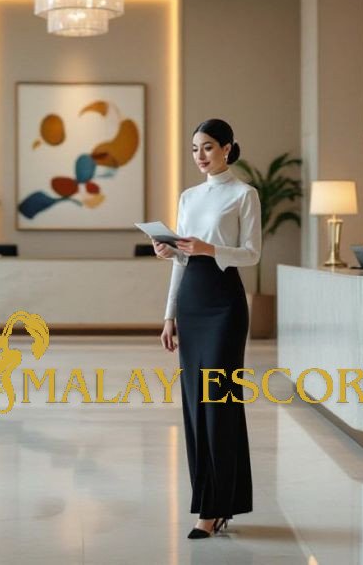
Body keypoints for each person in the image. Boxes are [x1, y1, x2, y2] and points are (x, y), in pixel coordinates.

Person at [154, 118, 261, 540]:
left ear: (229, 148)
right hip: (192, 302)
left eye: (209, 148)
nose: (201, 156)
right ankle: (214, 503)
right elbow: (181, 260)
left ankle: (213, 510)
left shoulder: (244, 194)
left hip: (224, 304)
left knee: (219, 403)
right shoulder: (188, 196)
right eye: (195, 148)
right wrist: (168, 314)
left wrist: (208, 248)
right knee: (195, 407)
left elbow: (252, 254)